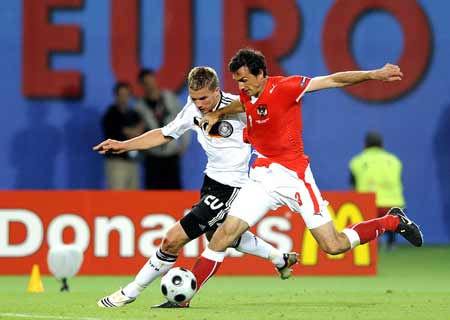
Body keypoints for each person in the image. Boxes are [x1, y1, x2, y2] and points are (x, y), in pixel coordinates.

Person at [188, 48, 423, 300]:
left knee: (334, 245)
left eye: (244, 80)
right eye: (237, 81)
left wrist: (373, 74)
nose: (241, 86)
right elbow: (241, 104)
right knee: (224, 234)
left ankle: (391, 221)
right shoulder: (248, 95)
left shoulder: (286, 87)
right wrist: (219, 112)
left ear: (260, 74)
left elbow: (333, 79)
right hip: (262, 175)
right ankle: (184, 297)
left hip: (294, 177)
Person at [93, 66, 298, 309]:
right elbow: (165, 134)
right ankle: (279, 257)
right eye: (194, 97)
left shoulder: (237, 108)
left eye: (204, 98)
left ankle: (130, 292)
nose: (199, 104)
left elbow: (265, 109)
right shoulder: (192, 110)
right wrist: (125, 145)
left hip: (233, 188)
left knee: (172, 239)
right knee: (220, 235)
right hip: (210, 183)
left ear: (217, 90)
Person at [349, 131, 406, 251]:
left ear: (365, 145)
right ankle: (392, 243)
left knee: (366, 220)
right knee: (392, 216)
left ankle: (373, 243)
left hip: (370, 207)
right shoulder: (394, 160)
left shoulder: (357, 161)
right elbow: (400, 181)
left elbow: (352, 185)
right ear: (382, 145)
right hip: (394, 206)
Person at [136, 69, 190, 189]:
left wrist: (184, 144)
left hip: (171, 153)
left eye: (151, 81)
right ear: (142, 85)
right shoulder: (140, 106)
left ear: (156, 80)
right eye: (146, 83)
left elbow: (184, 119)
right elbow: (139, 132)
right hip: (152, 156)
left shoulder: (169, 98)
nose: (150, 85)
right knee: (153, 192)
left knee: (174, 191)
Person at [101, 82, 145, 189]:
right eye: (121, 95)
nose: (124, 98)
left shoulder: (134, 114)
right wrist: (133, 131)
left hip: (133, 161)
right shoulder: (111, 114)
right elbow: (125, 131)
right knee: (117, 195)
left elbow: (142, 129)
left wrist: (135, 131)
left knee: (133, 196)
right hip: (117, 161)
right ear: (116, 96)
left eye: (126, 95)